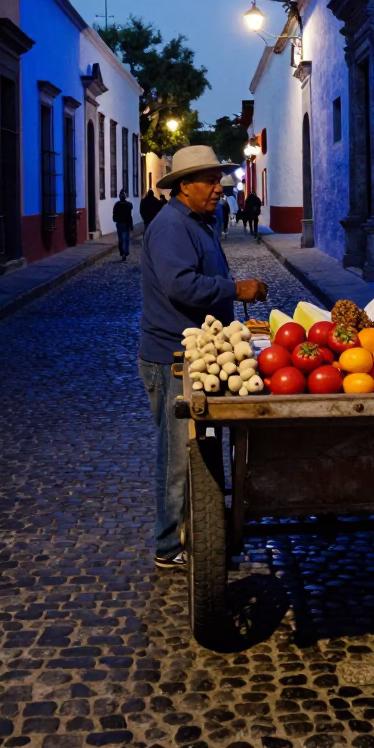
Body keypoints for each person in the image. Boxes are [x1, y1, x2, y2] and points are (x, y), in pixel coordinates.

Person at [138, 145, 268, 570]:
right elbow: (181, 286)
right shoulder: (173, 226)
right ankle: (167, 545)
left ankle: (204, 532)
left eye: (219, 179)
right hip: (172, 357)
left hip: (200, 353)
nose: (219, 187)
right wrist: (236, 290)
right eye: (210, 181)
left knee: (203, 449)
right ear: (184, 186)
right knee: (177, 455)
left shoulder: (199, 221)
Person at [112, 188, 133, 260]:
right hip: (125, 224)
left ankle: (122, 252)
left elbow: (114, 215)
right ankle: (125, 252)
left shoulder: (117, 205)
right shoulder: (129, 204)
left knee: (121, 239)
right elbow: (130, 216)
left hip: (120, 224)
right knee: (125, 239)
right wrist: (131, 225)